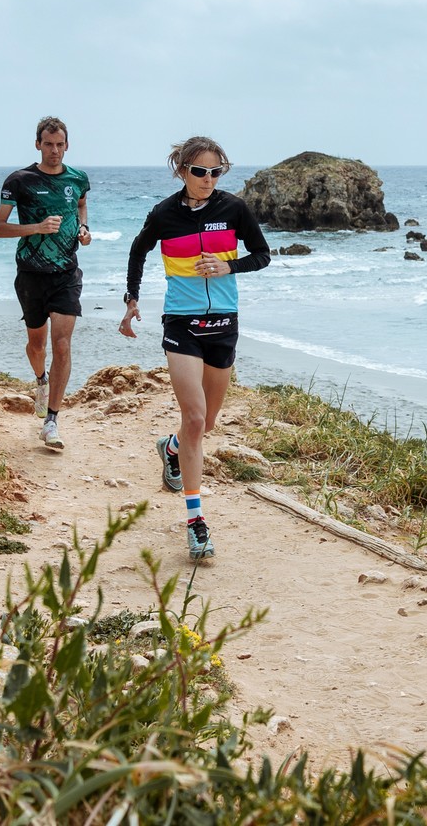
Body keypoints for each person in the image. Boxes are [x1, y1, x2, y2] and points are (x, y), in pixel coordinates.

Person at [120, 136, 270, 560]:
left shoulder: (234, 208)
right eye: (199, 172)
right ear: (182, 171)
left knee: (204, 427)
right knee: (196, 415)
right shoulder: (165, 213)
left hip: (224, 323)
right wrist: (131, 300)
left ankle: (171, 447)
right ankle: (196, 520)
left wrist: (229, 265)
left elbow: (262, 255)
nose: (208, 180)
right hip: (182, 323)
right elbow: (138, 250)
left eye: (215, 172)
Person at [0, 116, 91, 450]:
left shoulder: (78, 178)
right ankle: (40, 380)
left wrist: (83, 229)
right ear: (38, 144)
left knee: (62, 345)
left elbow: (80, 206)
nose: (54, 150)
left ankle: (52, 421)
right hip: (31, 273)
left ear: (67, 145)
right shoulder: (19, 180)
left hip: (66, 274)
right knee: (37, 345)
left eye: (60, 144)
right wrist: (36, 227)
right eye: (48, 144)